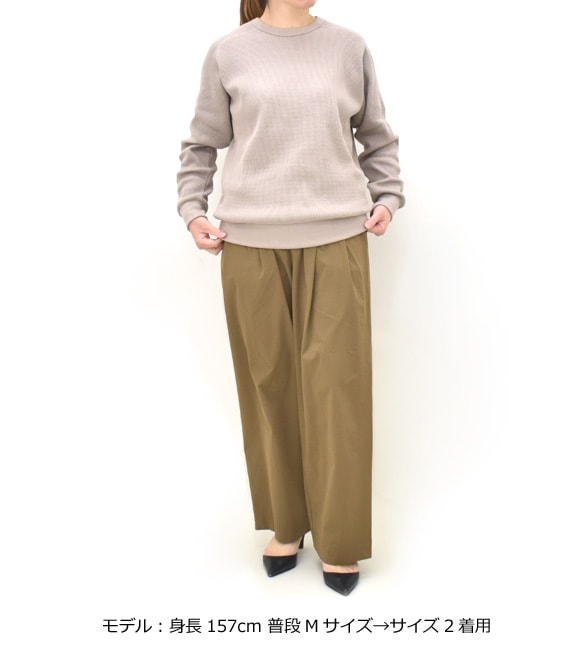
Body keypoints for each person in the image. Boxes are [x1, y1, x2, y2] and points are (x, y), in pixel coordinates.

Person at [176, 0, 404, 596]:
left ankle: (340, 538)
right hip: (249, 247)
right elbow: (201, 144)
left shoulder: (348, 46)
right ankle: (287, 523)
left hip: (337, 241)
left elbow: (377, 137)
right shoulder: (230, 52)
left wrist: (387, 196)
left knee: (337, 393)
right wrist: (192, 210)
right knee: (268, 388)